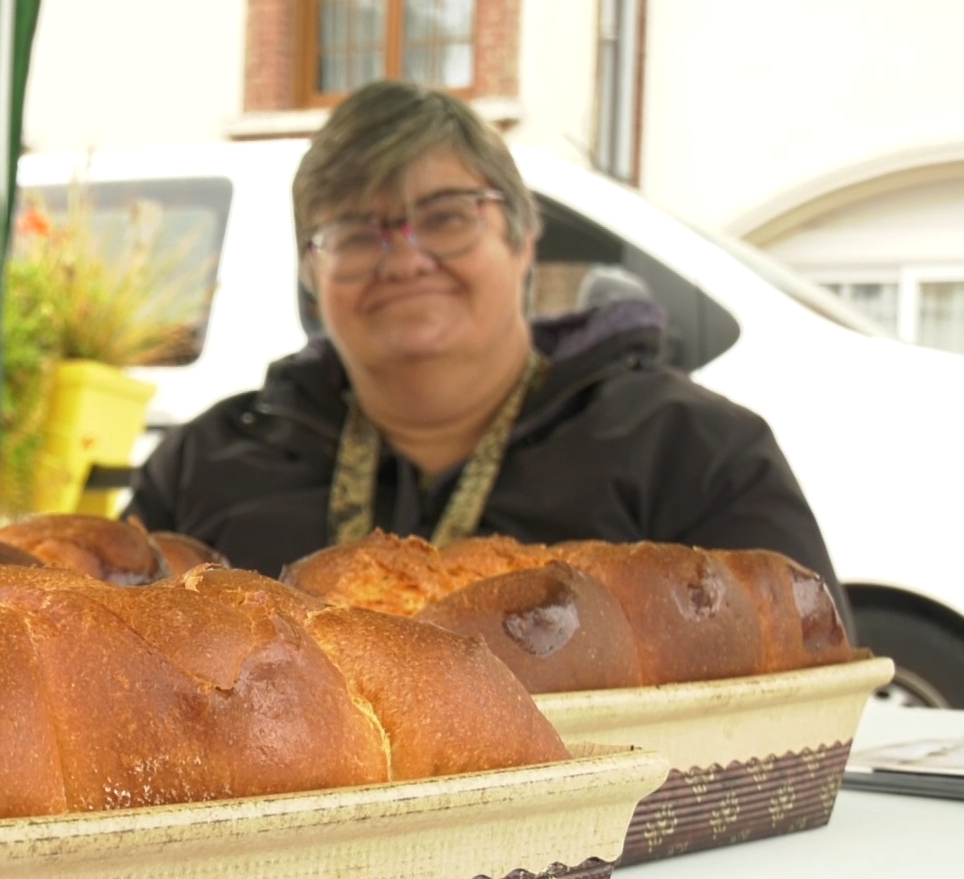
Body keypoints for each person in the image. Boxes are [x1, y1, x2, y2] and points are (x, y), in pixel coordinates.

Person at [130, 80, 843, 597]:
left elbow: (810, 664)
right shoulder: (201, 468)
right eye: (354, 233)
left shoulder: (692, 450)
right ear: (312, 274)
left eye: (446, 217)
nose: (405, 258)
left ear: (523, 238)